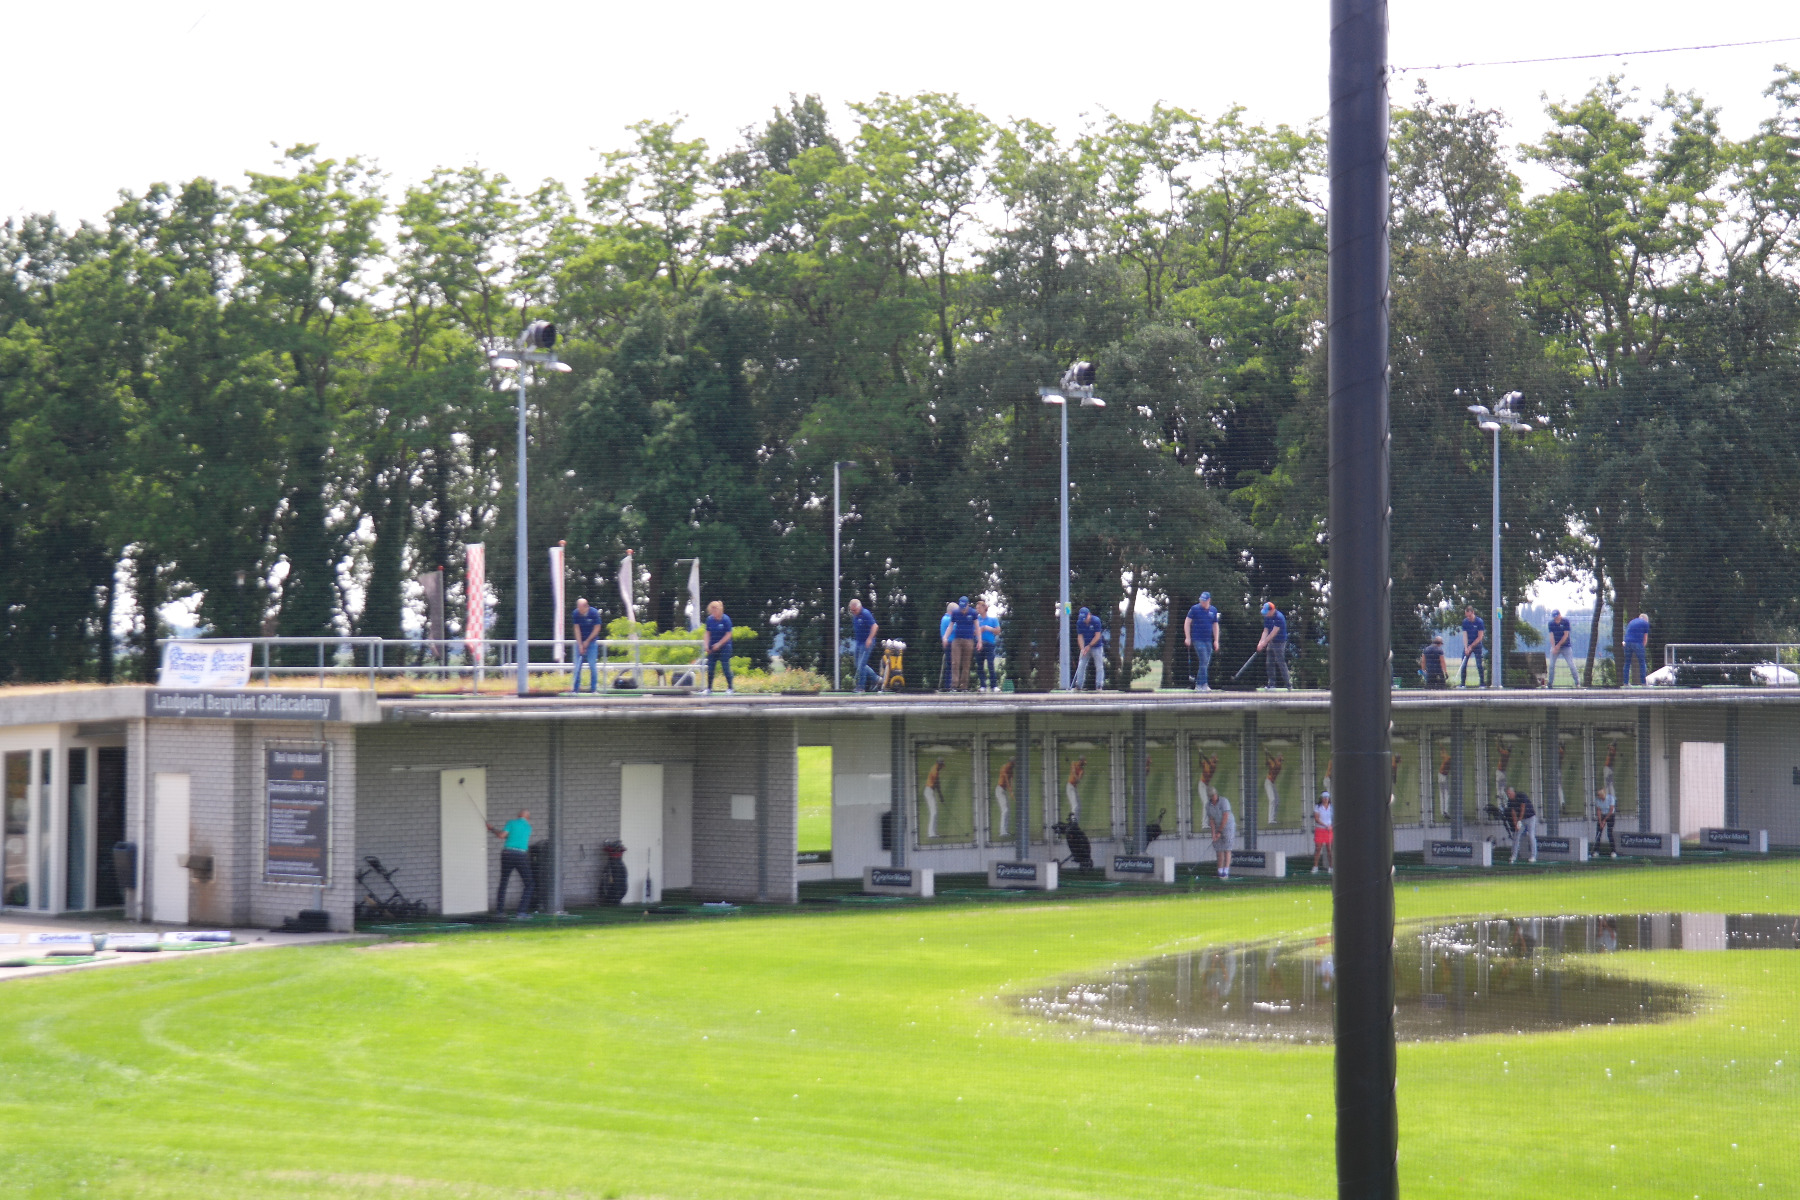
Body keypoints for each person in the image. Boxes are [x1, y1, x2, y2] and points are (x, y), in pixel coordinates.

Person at [489, 808, 535, 917]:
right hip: (521, 855)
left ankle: (500, 911)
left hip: (507, 853)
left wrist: (492, 829)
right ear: (528, 818)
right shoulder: (528, 827)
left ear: (518, 815)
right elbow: (513, 837)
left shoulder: (511, 823)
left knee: (504, 882)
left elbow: (502, 836)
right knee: (529, 883)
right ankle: (521, 912)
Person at [1185, 592, 1222, 692]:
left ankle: (1199, 684)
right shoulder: (1194, 609)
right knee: (1204, 659)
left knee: (1205, 662)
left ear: (1209, 600)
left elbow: (1215, 625)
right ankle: (1204, 684)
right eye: (1201, 600)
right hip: (1197, 639)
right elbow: (1187, 622)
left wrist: (1216, 640)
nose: (1202, 602)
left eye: (1204, 601)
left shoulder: (1213, 610)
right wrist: (1188, 637)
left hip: (1208, 640)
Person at [570, 597, 604, 693]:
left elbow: (597, 628)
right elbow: (576, 629)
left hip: (592, 642)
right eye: (578, 608)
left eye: (580, 608)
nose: (579, 611)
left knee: (592, 665)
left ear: (586, 606)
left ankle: (593, 689)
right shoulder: (576, 613)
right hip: (580, 641)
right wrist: (580, 644)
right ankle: (575, 689)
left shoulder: (594, 613)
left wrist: (588, 641)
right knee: (577, 665)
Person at [1204, 784, 1236, 880]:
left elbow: (1225, 816)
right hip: (1217, 826)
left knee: (1227, 848)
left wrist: (1219, 831)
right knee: (1219, 849)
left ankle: (1226, 872)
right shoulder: (1208, 805)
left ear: (1216, 794)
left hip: (1228, 826)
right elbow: (1211, 820)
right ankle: (1220, 871)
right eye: (1211, 796)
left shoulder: (1224, 801)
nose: (1213, 797)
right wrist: (1214, 834)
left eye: (1214, 795)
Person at [703, 600, 735, 694]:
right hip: (712, 647)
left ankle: (730, 688)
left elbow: (728, 634)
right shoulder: (709, 620)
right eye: (712, 610)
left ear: (720, 609)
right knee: (710, 668)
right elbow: (707, 633)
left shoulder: (726, 619)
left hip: (725, 647)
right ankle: (709, 688)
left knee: (725, 666)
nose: (714, 612)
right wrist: (706, 645)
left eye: (715, 610)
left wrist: (719, 644)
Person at [1256, 602, 1290, 689]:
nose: (1265, 614)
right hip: (1271, 642)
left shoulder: (1279, 617)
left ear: (1272, 610)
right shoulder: (1267, 617)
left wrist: (1264, 642)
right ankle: (1271, 684)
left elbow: (1273, 633)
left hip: (1280, 642)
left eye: (1267, 612)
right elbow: (1265, 631)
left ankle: (1288, 684)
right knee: (1269, 662)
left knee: (1280, 662)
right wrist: (1260, 642)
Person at [849, 599, 880, 692]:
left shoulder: (866, 613)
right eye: (851, 610)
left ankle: (861, 687)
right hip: (858, 643)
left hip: (866, 643)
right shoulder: (855, 616)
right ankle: (876, 679)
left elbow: (875, 626)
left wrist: (869, 639)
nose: (853, 612)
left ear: (859, 607)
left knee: (861, 665)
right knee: (857, 664)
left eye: (854, 610)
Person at [948, 596, 979, 691]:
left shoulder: (973, 613)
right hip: (957, 640)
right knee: (955, 662)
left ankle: (964, 686)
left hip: (969, 640)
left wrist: (979, 640)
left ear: (968, 604)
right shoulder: (955, 612)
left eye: (964, 607)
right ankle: (954, 685)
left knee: (966, 664)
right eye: (961, 607)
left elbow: (977, 627)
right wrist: (945, 637)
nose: (963, 609)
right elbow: (950, 626)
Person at [1596, 741, 1619, 857]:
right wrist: (1601, 821)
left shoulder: (1610, 797)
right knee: (1599, 832)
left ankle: (1613, 851)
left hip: (1609, 815)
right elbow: (1599, 810)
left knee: (1610, 833)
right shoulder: (1600, 798)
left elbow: (1611, 810)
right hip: (1604, 815)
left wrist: (1605, 820)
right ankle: (1596, 850)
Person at [1075, 606, 1107, 690]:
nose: (1084, 620)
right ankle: (1079, 685)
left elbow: (1097, 636)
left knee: (1099, 666)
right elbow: (1080, 636)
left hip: (1096, 647)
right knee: (1081, 665)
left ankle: (1099, 685)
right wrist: (1082, 649)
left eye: (1085, 618)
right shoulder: (1080, 622)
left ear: (1089, 614)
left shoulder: (1096, 621)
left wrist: (1089, 646)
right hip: (1085, 647)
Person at [1505, 786, 1537, 863]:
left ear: (1513, 792)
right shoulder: (1510, 801)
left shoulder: (1521, 795)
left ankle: (1533, 856)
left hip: (1530, 818)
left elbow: (1523, 808)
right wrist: (1516, 824)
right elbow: (1513, 813)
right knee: (1516, 835)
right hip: (1521, 820)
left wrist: (1519, 821)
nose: (1508, 795)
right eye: (1507, 794)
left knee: (1531, 836)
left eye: (1509, 793)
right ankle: (1514, 856)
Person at [1546, 608, 1576, 688]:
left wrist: (1558, 645)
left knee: (1571, 664)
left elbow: (1566, 635)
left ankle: (1577, 683)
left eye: (1556, 616)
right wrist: (1553, 647)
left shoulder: (1565, 621)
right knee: (1551, 665)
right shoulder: (1551, 624)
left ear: (1560, 615)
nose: (1555, 618)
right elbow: (1551, 636)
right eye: (1554, 617)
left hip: (1566, 646)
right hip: (1555, 647)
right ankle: (1550, 684)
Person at [976, 600, 1001, 692]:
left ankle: (994, 686)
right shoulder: (976, 620)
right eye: (977, 608)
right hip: (979, 643)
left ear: (984, 608)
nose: (978, 610)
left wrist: (987, 628)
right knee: (980, 665)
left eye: (979, 608)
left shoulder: (993, 619)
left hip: (990, 644)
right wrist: (980, 630)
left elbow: (998, 631)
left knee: (990, 664)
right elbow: (973, 632)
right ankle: (983, 685)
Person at [1460, 606, 1487, 688]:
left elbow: (1480, 637)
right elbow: (1465, 635)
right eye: (1467, 616)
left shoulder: (1479, 622)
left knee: (1479, 664)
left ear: (1473, 612)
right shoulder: (1465, 622)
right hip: (1468, 645)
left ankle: (1482, 683)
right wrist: (1466, 647)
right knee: (1463, 663)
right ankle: (1462, 684)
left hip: (1477, 645)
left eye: (1469, 616)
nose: (1468, 618)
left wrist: (1471, 647)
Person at [1623, 612, 1650, 686]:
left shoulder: (1631, 622)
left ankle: (1625, 683)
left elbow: (1627, 633)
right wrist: (1642, 648)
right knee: (1642, 662)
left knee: (1627, 663)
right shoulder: (1645, 623)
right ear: (1646, 619)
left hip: (1627, 643)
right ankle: (1643, 683)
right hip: (1637, 643)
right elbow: (1645, 638)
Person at [1312, 790, 1334, 874]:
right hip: (1320, 830)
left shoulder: (1332, 807)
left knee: (1329, 849)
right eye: (1324, 797)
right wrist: (1325, 825)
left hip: (1329, 831)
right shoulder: (1317, 807)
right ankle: (1315, 866)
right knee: (1318, 849)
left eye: (1327, 797)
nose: (1325, 799)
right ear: (1321, 798)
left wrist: (1331, 826)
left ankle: (1331, 867)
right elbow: (1317, 819)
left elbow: (1334, 818)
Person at [922, 758, 944, 839]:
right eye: (941, 765)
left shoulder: (936, 769)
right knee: (934, 812)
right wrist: (940, 796)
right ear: (939, 764)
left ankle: (933, 832)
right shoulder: (934, 770)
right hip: (929, 791)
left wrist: (940, 796)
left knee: (935, 812)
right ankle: (931, 833)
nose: (942, 768)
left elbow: (937, 784)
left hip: (930, 791)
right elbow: (936, 784)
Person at [994, 755, 1015, 838]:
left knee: (1007, 810)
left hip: (1004, 791)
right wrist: (1010, 792)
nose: (1015, 764)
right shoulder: (1004, 768)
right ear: (1011, 762)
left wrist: (1012, 791)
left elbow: (1011, 781)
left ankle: (1005, 831)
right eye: (1015, 762)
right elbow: (1007, 781)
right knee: (1005, 810)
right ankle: (1002, 831)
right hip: (999, 790)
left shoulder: (1011, 770)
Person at [938, 601, 957, 691]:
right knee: (951, 665)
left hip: (947, 644)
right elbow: (956, 628)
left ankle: (948, 685)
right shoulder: (949, 619)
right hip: (950, 643)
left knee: (949, 664)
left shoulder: (944, 618)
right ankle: (949, 685)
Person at [1263, 751, 1284, 825]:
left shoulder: (1279, 765)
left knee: (1277, 801)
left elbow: (1274, 762)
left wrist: (1268, 753)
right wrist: (1266, 755)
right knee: (1272, 799)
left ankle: (1273, 818)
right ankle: (1270, 820)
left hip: (1272, 783)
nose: (1282, 758)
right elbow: (1266, 763)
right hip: (1268, 782)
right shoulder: (1273, 762)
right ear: (1278, 757)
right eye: (1281, 756)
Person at [1065, 756, 1086, 821]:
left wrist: (1076, 776)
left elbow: (1078, 780)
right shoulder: (1073, 763)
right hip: (1070, 786)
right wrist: (1074, 772)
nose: (1085, 763)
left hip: (1074, 788)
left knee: (1079, 806)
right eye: (1084, 761)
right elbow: (1074, 772)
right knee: (1075, 805)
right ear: (1080, 760)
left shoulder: (1082, 770)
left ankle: (1076, 822)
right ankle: (1073, 821)